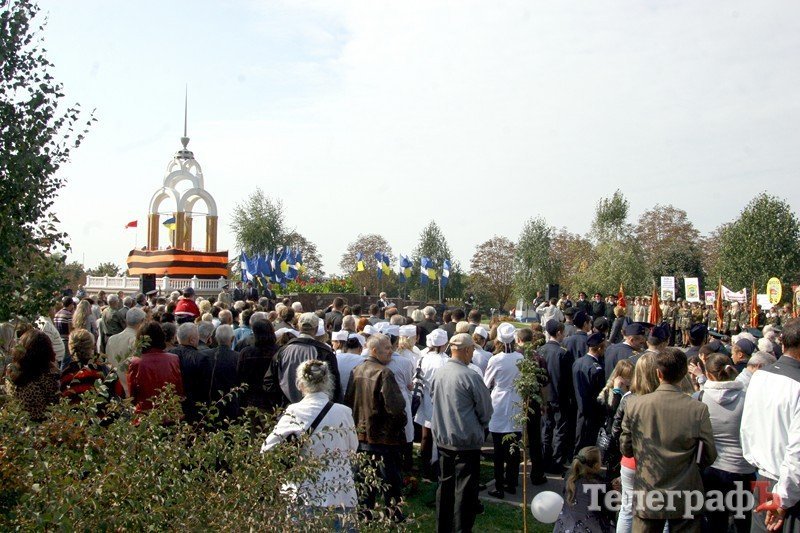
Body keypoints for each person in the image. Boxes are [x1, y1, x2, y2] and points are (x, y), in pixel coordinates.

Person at [620, 348, 717, 532]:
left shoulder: (635, 405)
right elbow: (709, 454)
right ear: (684, 374)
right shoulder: (697, 409)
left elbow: (626, 448)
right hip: (685, 491)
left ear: (658, 374)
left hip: (649, 489)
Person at [261, 360, 358, 524]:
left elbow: (267, 449)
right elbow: (352, 448)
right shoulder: (344, 412)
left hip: (303, 490)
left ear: (300, 384)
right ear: (328, 382)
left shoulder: (294, 411)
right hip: (340, 489)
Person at [741, 318, 800, 533]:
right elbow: (797, 453)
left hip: (765, 478)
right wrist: (783, 499)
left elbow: (747, 430)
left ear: (783, 344)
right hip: (789, 489)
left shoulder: (759, 376)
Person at [430, 333, 493, 533]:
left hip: (443, 440)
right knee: (465, 492)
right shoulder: (470, 375)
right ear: (466, 350)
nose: (472, 354)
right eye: (472, 350)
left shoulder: (440, 372)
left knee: (445, 487)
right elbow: (485, 410)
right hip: (465, 442)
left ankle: (443, 528)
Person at [344, 333, 407, 523]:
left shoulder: (356, 370)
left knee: (365, 482)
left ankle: (365, 516)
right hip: (383, 438)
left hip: (361, 436)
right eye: (387, 348)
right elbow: (396, 407)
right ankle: (394, 516)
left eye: (390, 347)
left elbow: (348, 401)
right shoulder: (384, 373)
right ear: (373, 350)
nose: (391, 352)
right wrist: (400, 424)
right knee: (390, 483)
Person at [695, 354, 755, 533]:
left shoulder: (700, 398)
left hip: (712, 467)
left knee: (714, 521)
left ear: (708, 374)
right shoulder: (748, 396)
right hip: (742, 467)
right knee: (742, 521)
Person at [265, 312, 342, 408]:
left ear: (298, 327)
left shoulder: (282, 351)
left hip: (288, 410)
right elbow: (335, 385)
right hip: (317, 410)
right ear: (317, 329)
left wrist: (280, 404)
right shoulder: (324, 352)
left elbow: (269, 381)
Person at [484, 323, 523, 499]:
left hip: (500, 401)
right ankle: (511, 481)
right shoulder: (520, 358)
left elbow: (486, 382)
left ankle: (500, 484)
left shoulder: (496, 359)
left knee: (500, 449)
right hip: (515, 401)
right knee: (513, 447)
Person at [540, 319, 574, 475]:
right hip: (559, 397)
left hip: (544, 397)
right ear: (559, 332)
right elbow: (568, 379)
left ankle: (544, 459)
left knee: (546, 428)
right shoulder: (563, 353)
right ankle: (556, 462)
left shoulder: (540, 351)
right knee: (559, 430)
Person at [414, 327, 449, 480]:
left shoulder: (423, 358)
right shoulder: (446, 361)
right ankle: (437, 468)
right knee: (440, 436)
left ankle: (426, 468)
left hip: (426, 399)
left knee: (426, 435)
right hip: (442, 401)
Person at [127, 321, 184, 413]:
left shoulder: (135, 362)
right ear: (161, 337)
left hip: (145, 414)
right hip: (169, 413)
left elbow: (132, 396)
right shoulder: (174, 359)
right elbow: (179, 390)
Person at [552, 446, 612, 533]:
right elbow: (607, 513)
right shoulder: (599, 485)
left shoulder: (569, 478)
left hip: (564, 527)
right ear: (596, 465)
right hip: (588, 528)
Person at [4, 329, 60, 421]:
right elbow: (56, 405)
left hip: (17, 425)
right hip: (43, 428)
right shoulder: (46, 378)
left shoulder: (11, 373)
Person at [60, 329, 124, 403]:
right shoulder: (105, 373)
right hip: (102, 413)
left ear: (70, 348)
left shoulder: (66, 375)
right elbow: (120, 396)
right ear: (93, 346)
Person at [596, 359, 633, 478]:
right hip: (612, 432)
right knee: (613, 466)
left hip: (625, 432)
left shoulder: (632, 391)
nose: (630, 379)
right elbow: (612, 411)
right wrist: (617, 391)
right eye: (627, 376)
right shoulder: (609, 391)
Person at [572, 332, 606, 454]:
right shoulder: (596, 368)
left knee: (580, 438)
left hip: (579, 409)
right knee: (588, 442)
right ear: (600, 347)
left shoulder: (578, 362)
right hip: (592, 411)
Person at [237, 319, 277, 411]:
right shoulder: (279, 352)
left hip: (251, 401)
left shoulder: (246, 353)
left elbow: (239, 377)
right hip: (272, 402)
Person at [105, 307, 147, 396]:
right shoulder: (137, 341)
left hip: (113, 386)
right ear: (142, 321)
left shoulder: (111, 339)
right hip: (129, 389)